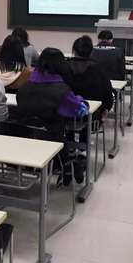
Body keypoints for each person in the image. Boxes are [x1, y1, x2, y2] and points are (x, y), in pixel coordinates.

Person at [17, 48, 89, 184]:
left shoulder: (23, 87)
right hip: (53, 143)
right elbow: (81, 110)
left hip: (25, 142)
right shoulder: (61, 90)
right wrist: (80, 99)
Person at [66, 35, 114, 118]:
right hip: (93, 115)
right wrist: (106, 108)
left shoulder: (65, 66)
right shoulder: (98, 68)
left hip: (67, 113)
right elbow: (107, 93)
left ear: (74, 51)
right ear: (91, 51)